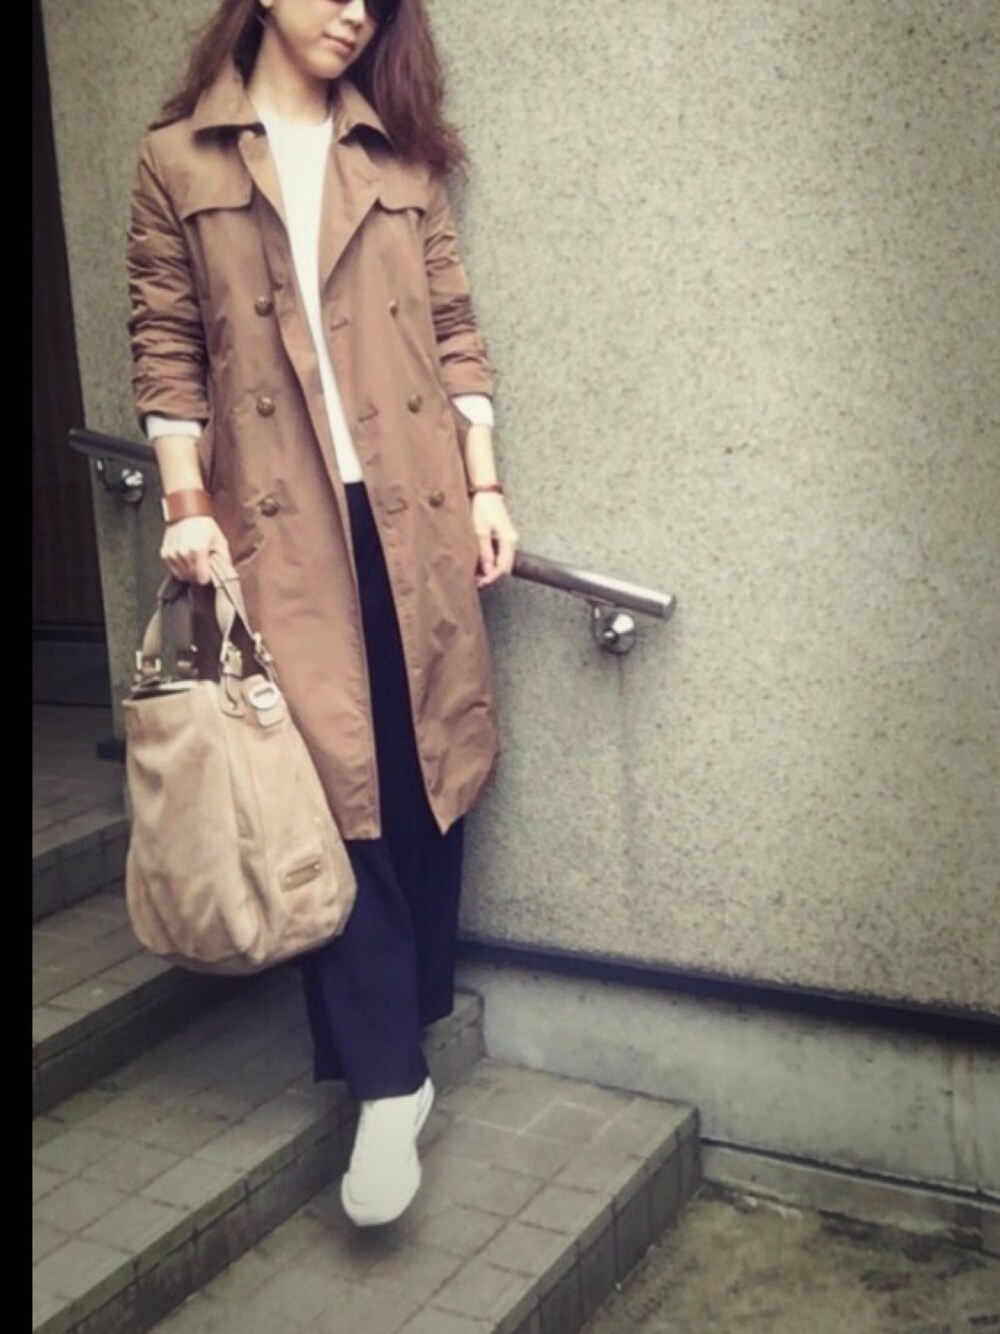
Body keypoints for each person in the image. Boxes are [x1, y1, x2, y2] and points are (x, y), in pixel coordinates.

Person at [125, 0, 518, 1228]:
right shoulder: (177, 159)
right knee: (334, 783)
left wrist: (487, 483)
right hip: (279, 521)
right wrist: (185, 502)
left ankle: (402, 1029)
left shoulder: (396, 153)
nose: (355, 10)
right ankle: (387, 1081)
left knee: (424, 767)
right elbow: (165, 343)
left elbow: (452, 328)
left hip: (413, 506)